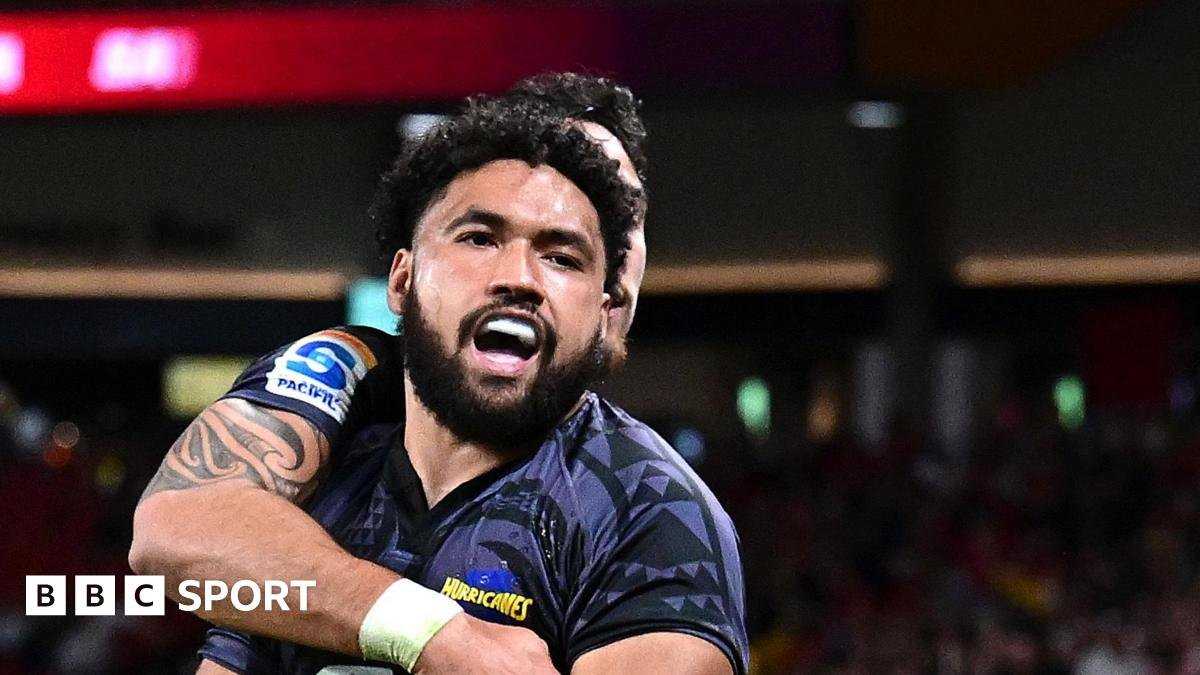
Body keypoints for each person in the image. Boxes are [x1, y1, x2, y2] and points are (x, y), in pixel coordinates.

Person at [131, 77, 747, 674]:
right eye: (480, 238)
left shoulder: (652, 509)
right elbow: (177, 528)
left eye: (563, 255)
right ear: (402, 278)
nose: (520, 277)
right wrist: (433, 634)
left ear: (602, 300)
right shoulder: (348, 392)